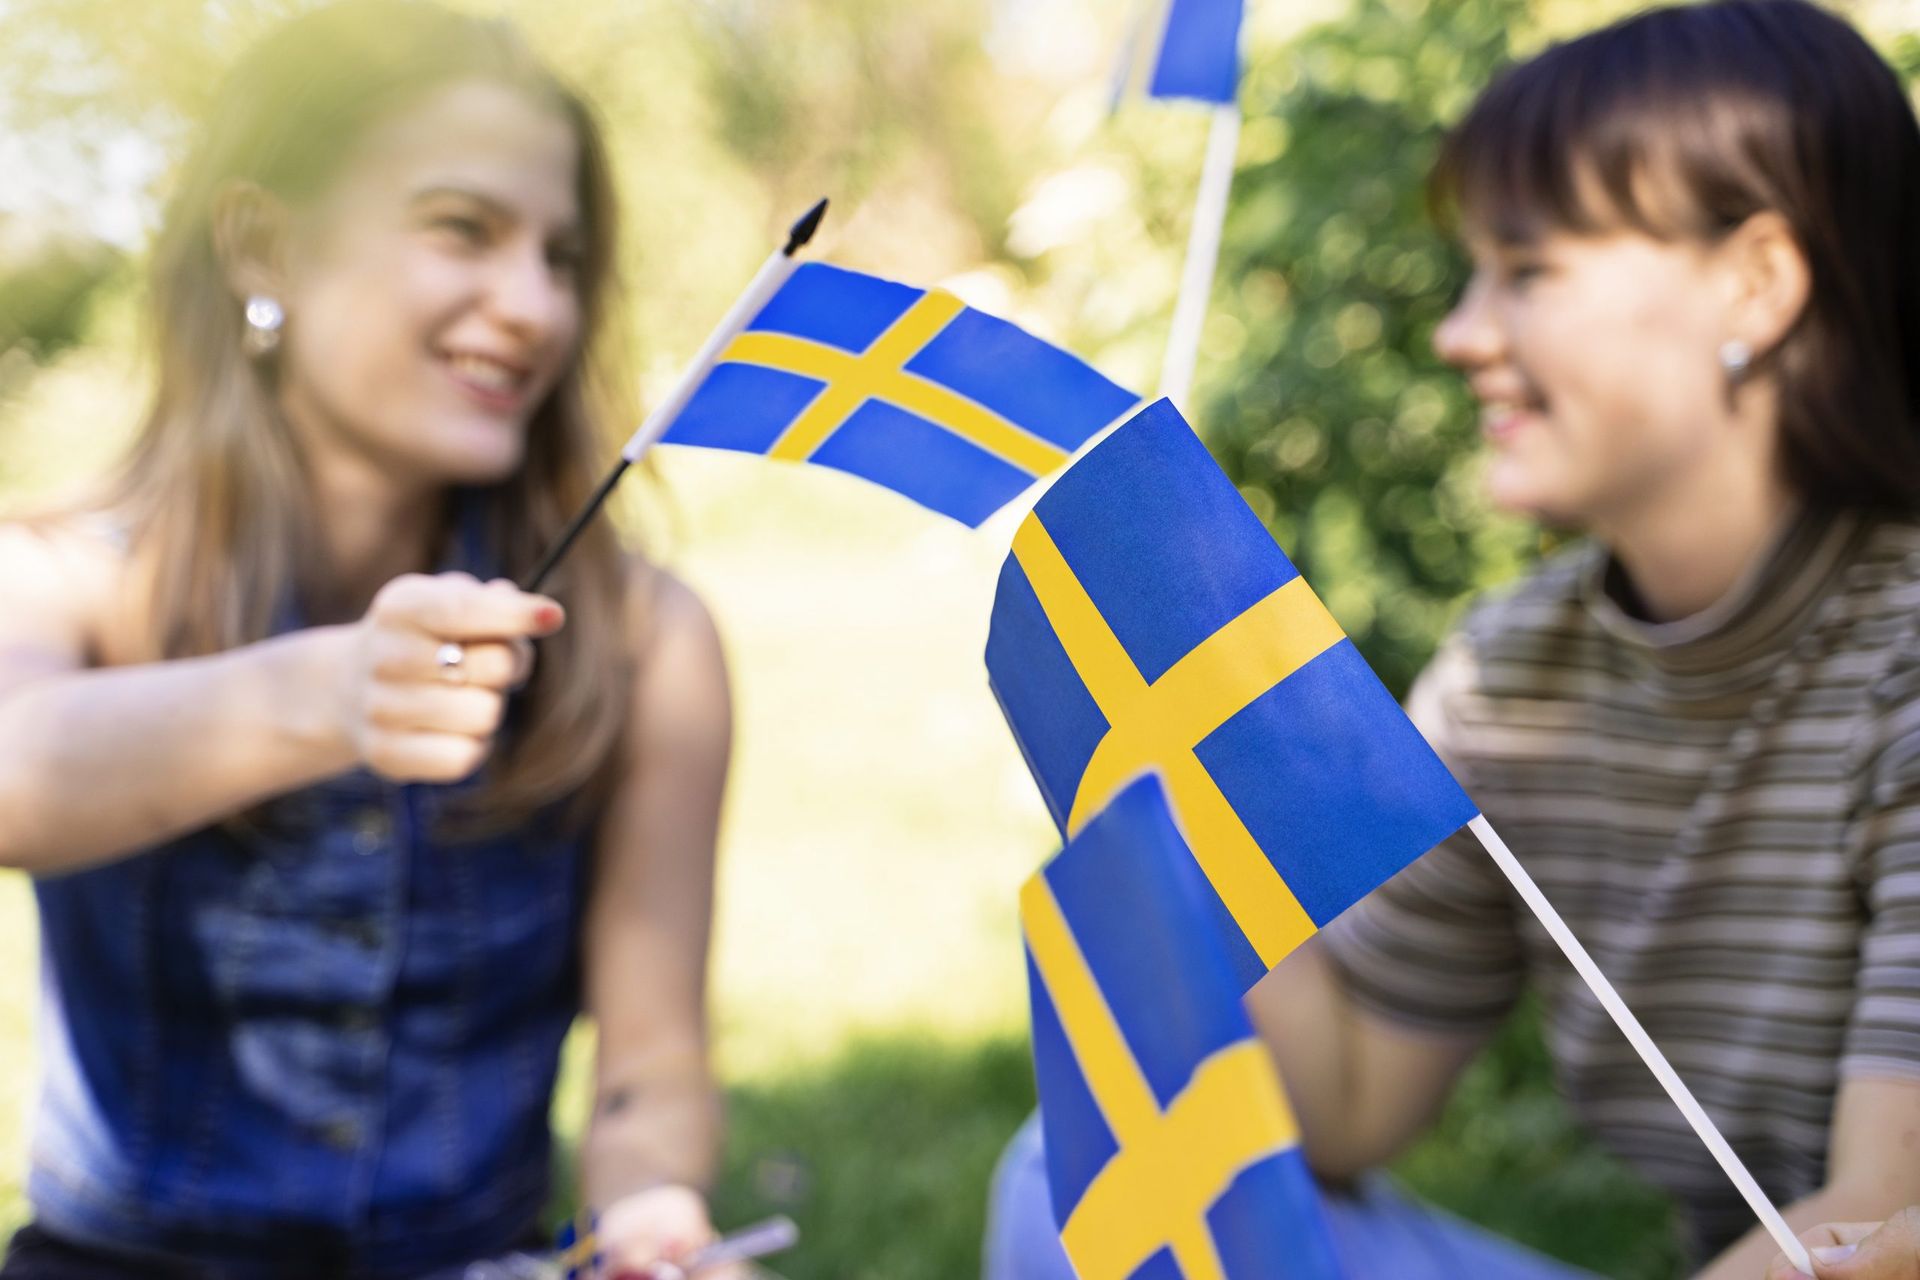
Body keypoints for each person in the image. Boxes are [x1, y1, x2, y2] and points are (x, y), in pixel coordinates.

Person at [985, 1, 1920, 1277]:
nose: (1461, 332)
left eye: (1530, 270)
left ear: (1757, 280)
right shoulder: (1515, 668)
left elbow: (1883, 1223)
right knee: (1075, 1176)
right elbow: (1352, 1094)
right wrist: (1160, 767)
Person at [0, 3, 739, 1276]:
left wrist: (651, 1208)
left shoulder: (644, 639)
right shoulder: (62, 576)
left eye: (560, 256)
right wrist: (322, 692)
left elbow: (655, 1057)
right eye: (463, 229)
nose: (532, 305)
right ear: (264, 248)